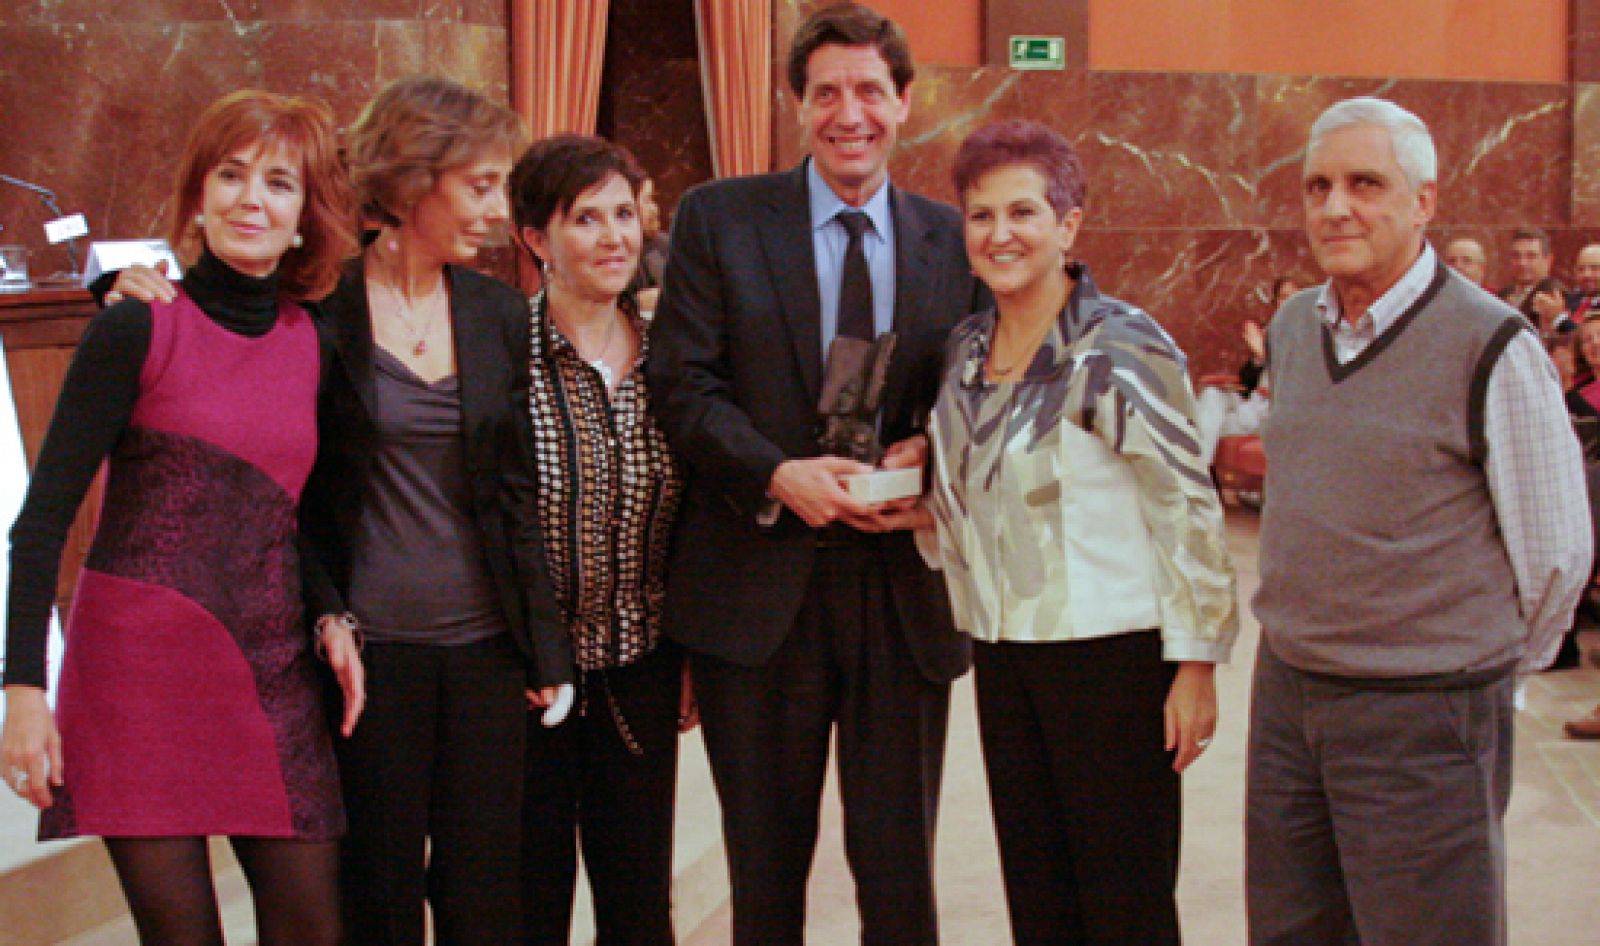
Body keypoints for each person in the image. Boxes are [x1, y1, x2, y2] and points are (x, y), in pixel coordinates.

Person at [645, 4, 982, 942]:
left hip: (899, 594)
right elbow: (680, 382)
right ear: (797, 103)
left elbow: (984, 390)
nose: (850, 113)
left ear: (905, 102)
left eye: (871, 90)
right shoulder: (719, 218)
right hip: (758, 592)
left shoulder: (955, 241)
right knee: (765, 878)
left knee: (899, 878)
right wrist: (776, 472)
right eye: (826, 91)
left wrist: (932, 457)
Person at [1, 89, 362, 945]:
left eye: (279, 182)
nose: (251, 199)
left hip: (271, 669)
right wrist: (21, 689)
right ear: (197, 198)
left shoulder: (311, 340)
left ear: (305, 215)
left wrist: (331, 611)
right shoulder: (135, 325)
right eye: (230, 175)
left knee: (314, 928)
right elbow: (40, 519)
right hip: (136, 678)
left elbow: (294, 509)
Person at [1246, 96, 1591, 946]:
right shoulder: (1295, 327)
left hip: (1424, 715)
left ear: (1424, 201)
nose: (1335, 206)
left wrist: (1470, 682)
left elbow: (1556, 556)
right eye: (1317, 185)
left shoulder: (1493, 345)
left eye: (1366, 182)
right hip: (1289, 695)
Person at [925, 118, 1238, 946]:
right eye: (982, 215)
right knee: (1039, 895)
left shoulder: (1120, 344)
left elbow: (1187, 506)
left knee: (1124, 902)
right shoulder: (963, 349)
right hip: (1002, 651)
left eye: (1024, 213)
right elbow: (969, 486)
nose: (1002, 234)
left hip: (1111, 659)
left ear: (1068, 224)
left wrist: (1196, 663)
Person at [509, 134, 688, 946]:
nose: (616, 236)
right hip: (525, 683)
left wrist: (688, 649)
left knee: (639, 903)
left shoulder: (675, 358)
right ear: (536, 240)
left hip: (641, 665)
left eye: (625, 213)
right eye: (587, 218)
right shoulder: (499, 356)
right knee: (528, 901)